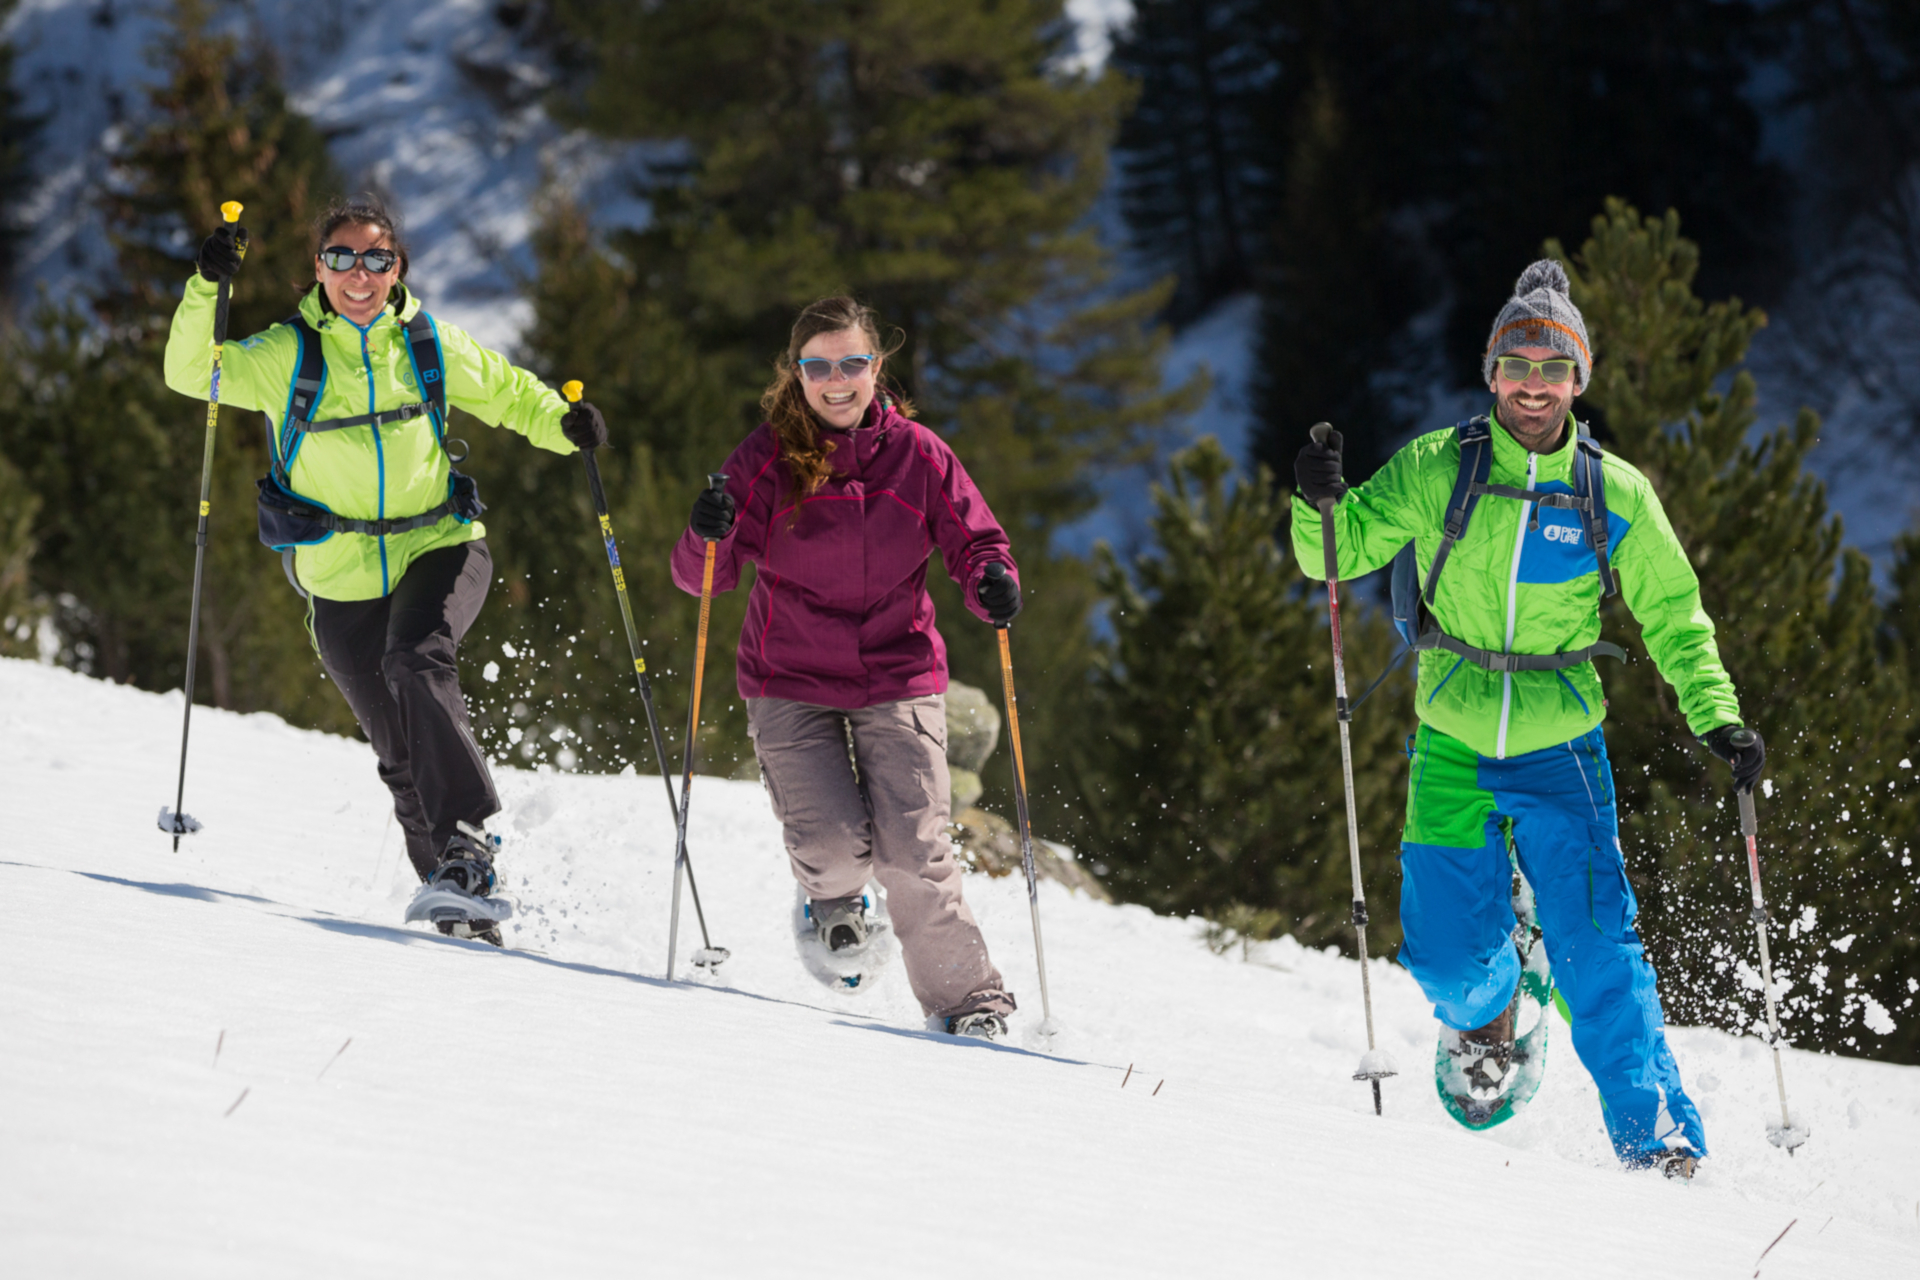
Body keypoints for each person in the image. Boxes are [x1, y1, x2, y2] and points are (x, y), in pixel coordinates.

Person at [1291, 260, 1766, 1179]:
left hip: (1564, 756)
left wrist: (1720, 717)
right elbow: (1336, 554)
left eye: (1555, 368)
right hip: (1452, 748)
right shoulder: (1441, 468)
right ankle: (1504, 978)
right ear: (1491, 372)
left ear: (1578, 381)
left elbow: (1675, 613)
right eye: (1518, 364)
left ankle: (1659, 1139)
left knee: (1601, 959)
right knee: (1447, 970)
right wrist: (1316, 498)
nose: (1534, 385)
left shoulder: (1612, 492)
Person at [164, 197, 608, 944]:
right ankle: (460, 901)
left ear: (397, 267)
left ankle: (467, 846)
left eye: (376, 258)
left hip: (439, 542)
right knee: (399, 756)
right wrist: (206, 288)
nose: (359, 274)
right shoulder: (288, 354)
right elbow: (193, 373)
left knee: (416, 657)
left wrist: (566, 427)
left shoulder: (427, 343)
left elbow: (508, 393)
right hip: (337, 575)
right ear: (319, 268)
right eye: (342, 257)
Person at [673, 296, 1020, 1039]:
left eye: (852, 364)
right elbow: (705, 577)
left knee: (914, 851)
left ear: (877, 368)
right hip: (789, 675)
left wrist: (991, 576)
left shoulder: (919, 454)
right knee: (832, 854)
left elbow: (976, 538)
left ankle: (969, 1003)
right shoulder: (766, 457)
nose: (837, 382)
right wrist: (705, 535)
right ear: (795, 374)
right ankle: (829, 899)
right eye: (819, 366)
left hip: (897, 671)